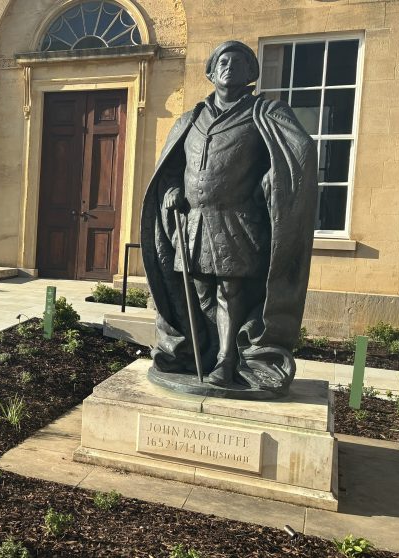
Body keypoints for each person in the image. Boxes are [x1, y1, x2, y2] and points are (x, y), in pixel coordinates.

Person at [140, 41, 318, 397]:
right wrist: (173, 189)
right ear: (211, 71)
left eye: (239, 62)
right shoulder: (192, 119)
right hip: (193, 222)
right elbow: (172, 168)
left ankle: (225, 360)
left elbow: (298, 151)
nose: (230, 66)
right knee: (200, 291)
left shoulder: (265, 112)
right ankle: (207, 352)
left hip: (236, 220)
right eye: (223, 61)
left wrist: (273, 181)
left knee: (230, 290)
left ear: (251, 73)